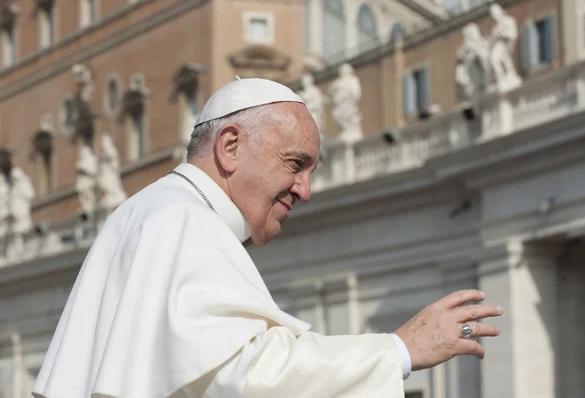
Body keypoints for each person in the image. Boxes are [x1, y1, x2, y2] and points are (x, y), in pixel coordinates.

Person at [32, 78, 503, 398]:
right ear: (230, 146)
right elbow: (246, 377)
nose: (306, 190)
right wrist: (399, 349)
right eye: (295, 164)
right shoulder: (182, 219)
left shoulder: (147, 212)